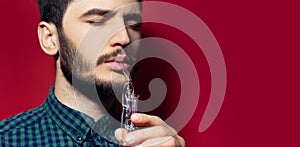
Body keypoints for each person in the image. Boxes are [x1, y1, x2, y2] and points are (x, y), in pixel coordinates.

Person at [0, 0, 185, 146]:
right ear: (50, 39)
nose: (124, 38)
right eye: (98, 21)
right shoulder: (7, 141)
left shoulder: (156, 142)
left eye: (133, 24)